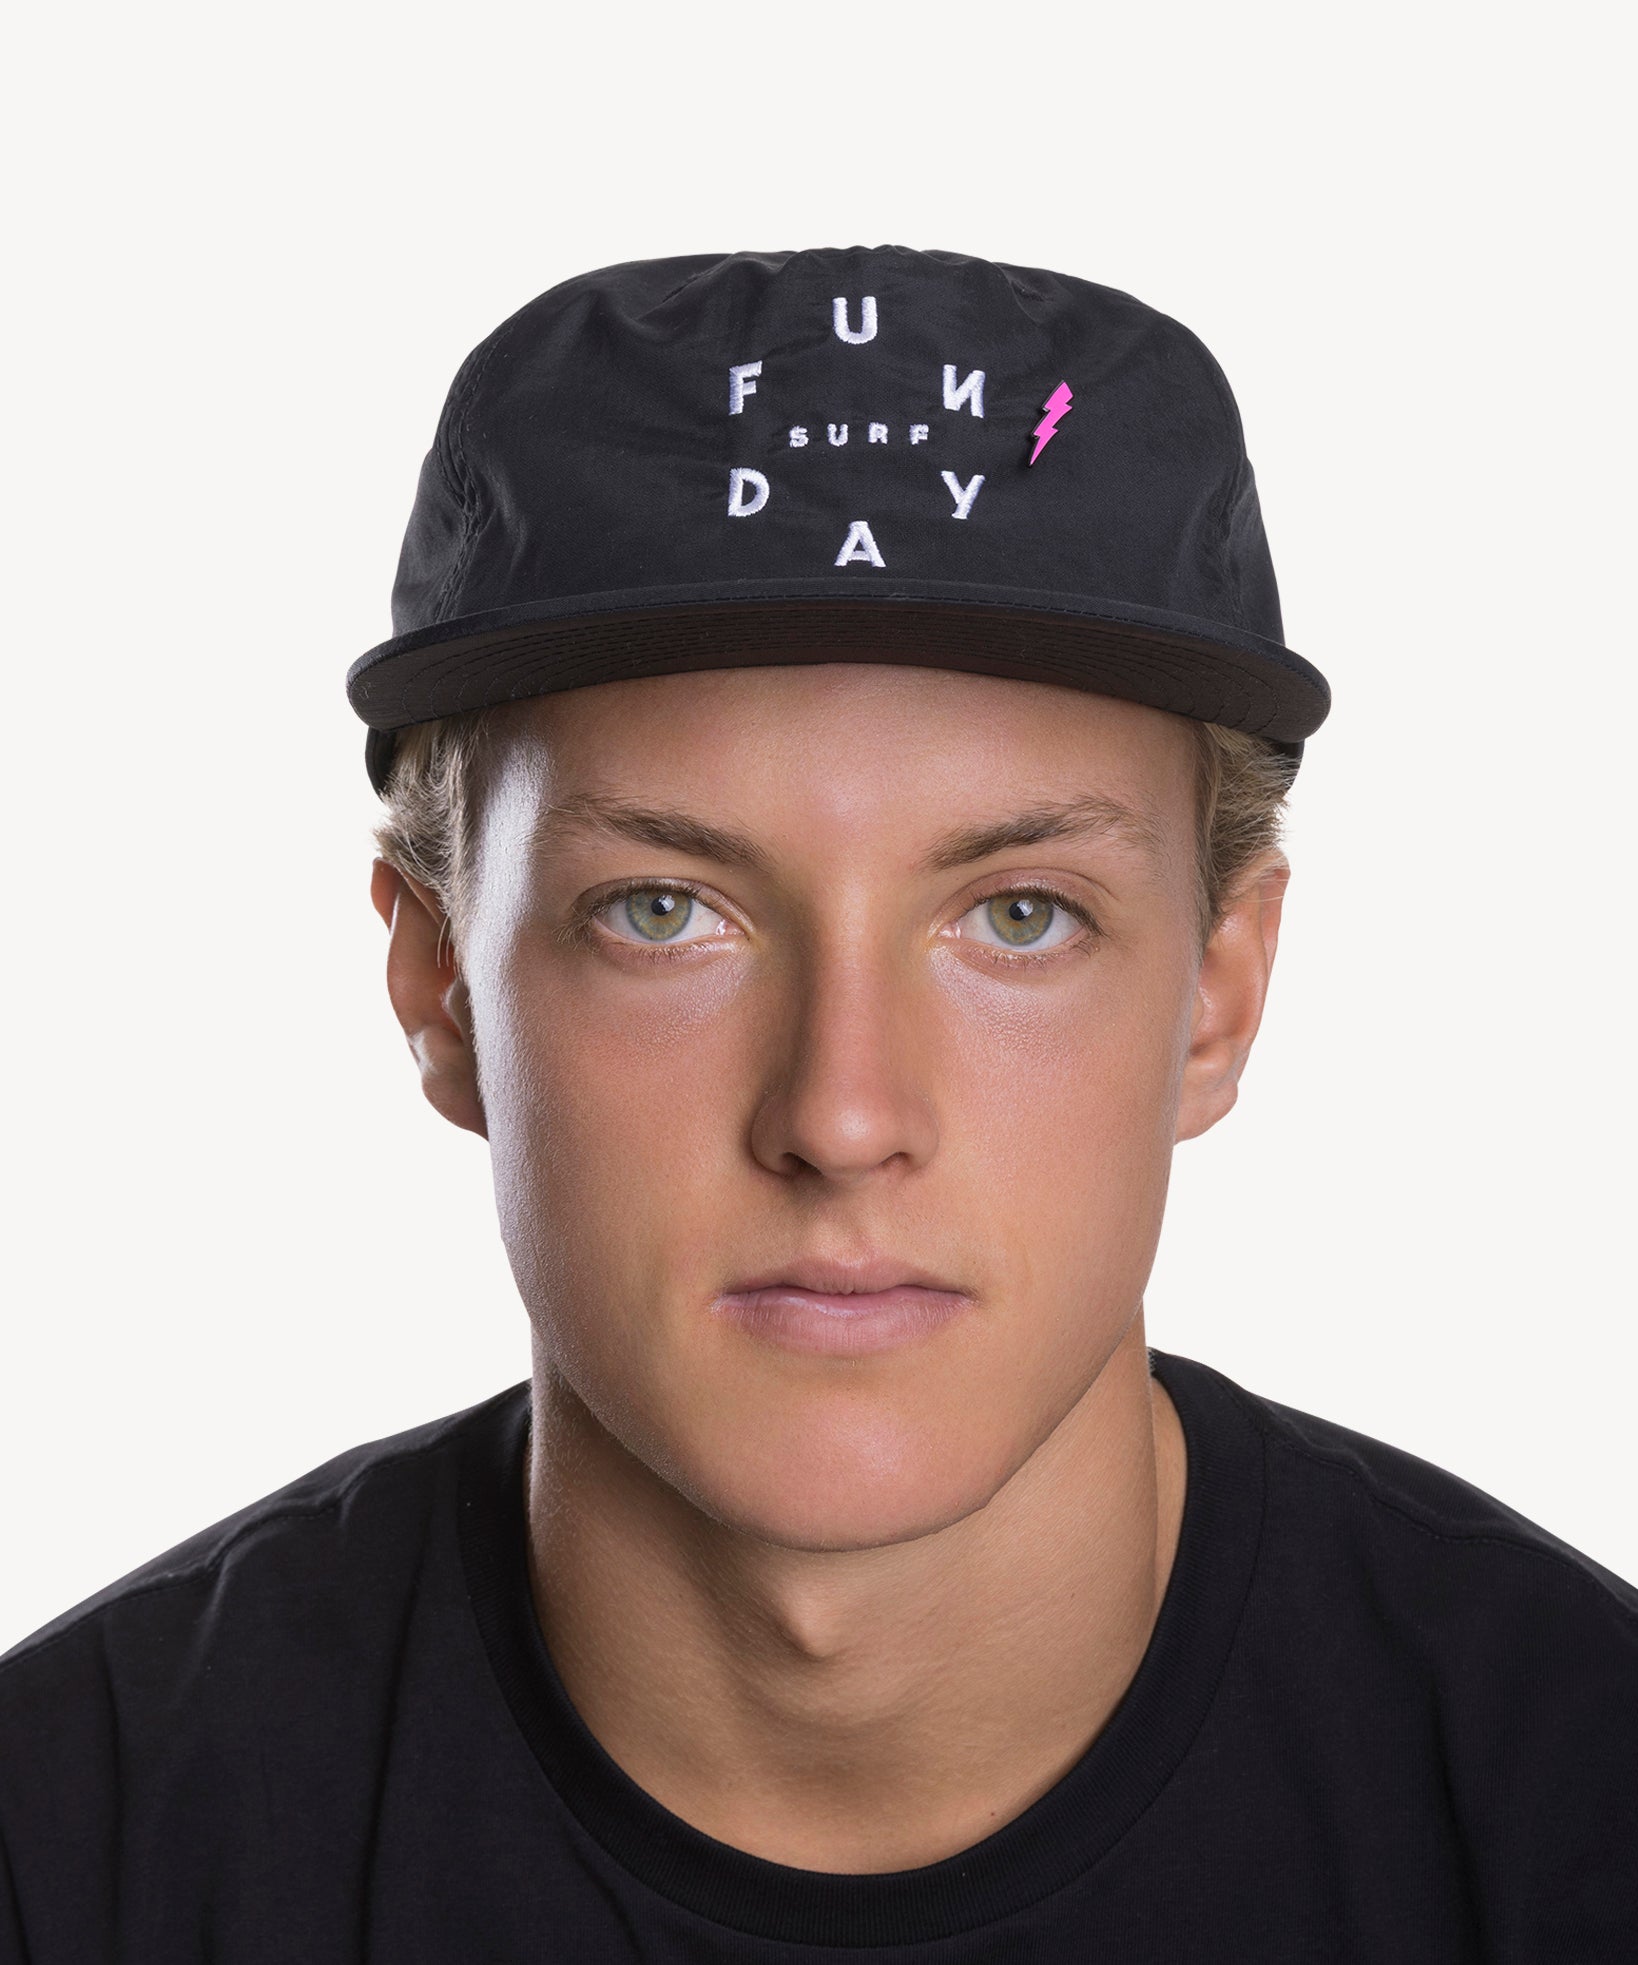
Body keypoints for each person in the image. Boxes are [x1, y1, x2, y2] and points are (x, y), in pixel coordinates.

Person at [2, 246, 1633, 1962]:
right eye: (661, 911)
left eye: (1021, 915)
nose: (843, 1115)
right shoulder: (69, 1852)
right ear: (440, 984)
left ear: (1218, 993)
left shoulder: (1579, 1810)